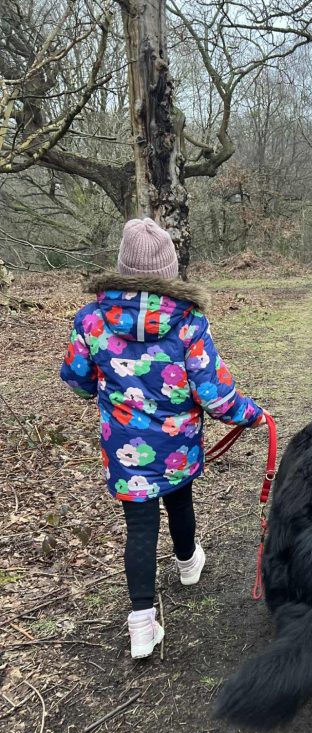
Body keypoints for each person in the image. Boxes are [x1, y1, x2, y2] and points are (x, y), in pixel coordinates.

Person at [61, 218, 270, 657]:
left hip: (123, 448)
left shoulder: (90, 320)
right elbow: (214, 395)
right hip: (177, 447)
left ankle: (141, 624)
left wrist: (105, 387)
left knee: (139, 527)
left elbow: (78, 380)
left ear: (122, 265)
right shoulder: (189, 322)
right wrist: (252, 415)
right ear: (169, 270)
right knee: (179, 501)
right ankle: (188, 563)